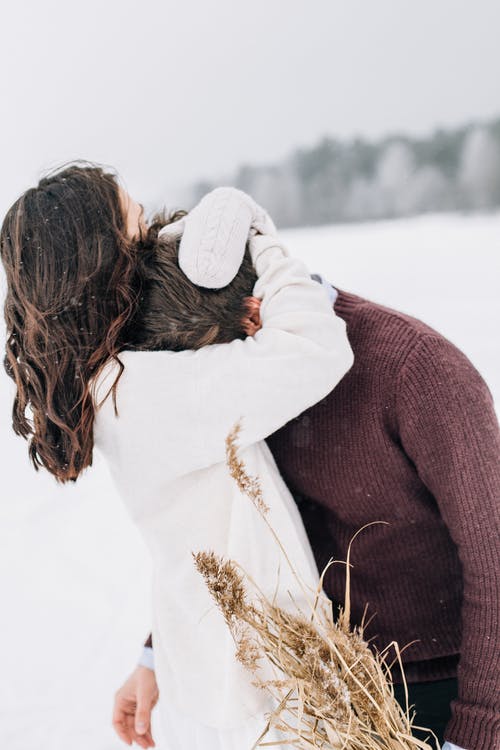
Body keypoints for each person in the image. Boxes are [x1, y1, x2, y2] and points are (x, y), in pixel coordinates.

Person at [124, 194, 500, 750]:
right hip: (329, 688)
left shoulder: (416, 370)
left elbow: (494, 556)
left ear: (254, 317)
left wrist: (477, 729)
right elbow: (227, 533)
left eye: (213, 354)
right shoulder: (241, 381)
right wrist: (155, 653)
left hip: (450, 685)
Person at [0, 166, 354, 749]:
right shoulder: (139, 390)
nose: (165, 235)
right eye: (141, 222)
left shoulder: (109, 378)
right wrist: (259, 239)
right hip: (260, 700)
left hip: (209, 671)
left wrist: (150, 654)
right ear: (107, 258)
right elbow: (314, 350)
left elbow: (193, 534)